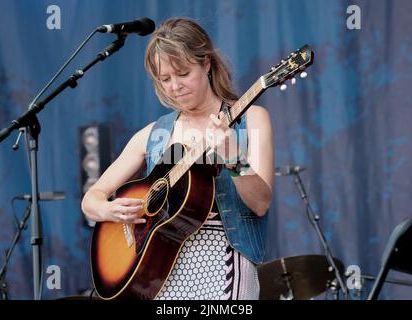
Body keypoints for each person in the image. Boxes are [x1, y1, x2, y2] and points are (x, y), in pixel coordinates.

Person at [81, 17, 274, 300]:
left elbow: (260, 204)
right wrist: (108, 210)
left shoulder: (250, 119)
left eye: (183, 73)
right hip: (157, 268)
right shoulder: (152, 134)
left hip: (225, 260)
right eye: (165, 79)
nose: (174, 87)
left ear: (206, 63)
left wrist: (234, 159)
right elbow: (91, 198)